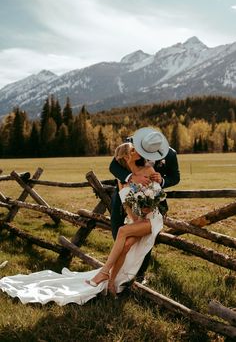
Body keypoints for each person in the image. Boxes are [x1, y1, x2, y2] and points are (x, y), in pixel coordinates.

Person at [0, 129, 167, 305]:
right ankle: (110, 284)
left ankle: (104, 271)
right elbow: (130, 210)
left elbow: (157, 200)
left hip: (152, 218)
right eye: (132, 151)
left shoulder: (149, 170)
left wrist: (155, 186)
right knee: (125, 245)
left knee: (123, 231)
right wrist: (135, 209)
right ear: (126, 157)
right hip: (136, 219)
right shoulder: (122, 180)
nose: (136, 152)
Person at [109, 127, 180, 283]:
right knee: (118, 231)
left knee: (144, 238)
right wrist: (131, 177)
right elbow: (113, 167)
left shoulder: (171, 154)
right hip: (124, 197)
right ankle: (118, 272)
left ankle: (139, 275)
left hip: (149, 201)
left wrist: (161, 180)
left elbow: (175, 178)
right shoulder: (130, 145)